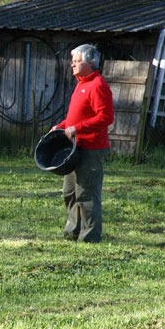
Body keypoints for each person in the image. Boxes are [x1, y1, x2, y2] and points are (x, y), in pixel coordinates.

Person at [51, 44, 114, 243]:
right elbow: (75, 117)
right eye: (73, 61)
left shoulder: (98, 85)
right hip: (74, 149)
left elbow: (106, 117)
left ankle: (90, 236)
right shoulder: (81, 84)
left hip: (91, 148)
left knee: (86, 193)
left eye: (77, 61)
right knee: (69, 192)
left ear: (90, 63)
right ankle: (73, 231)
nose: (72, 65)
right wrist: (61, 126)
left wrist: (77, 129)